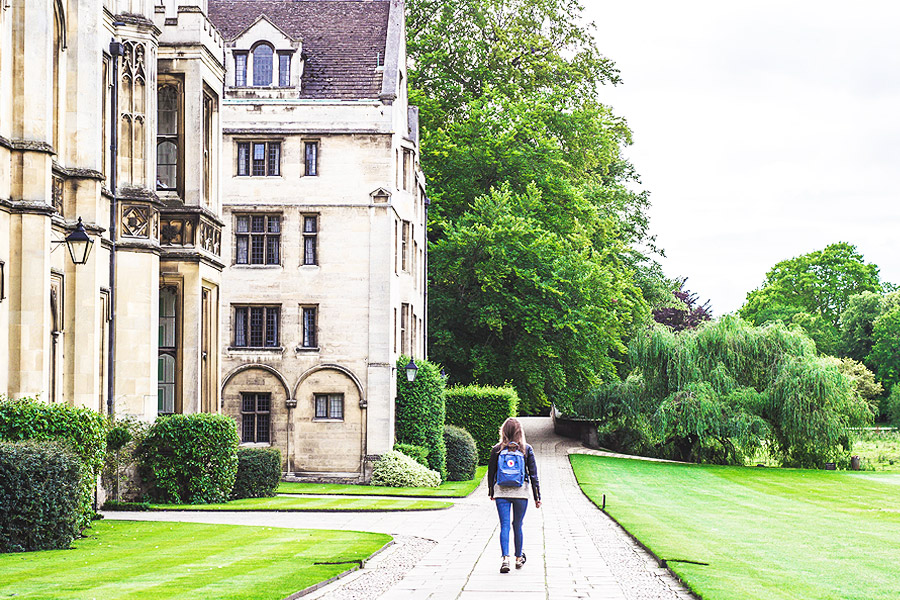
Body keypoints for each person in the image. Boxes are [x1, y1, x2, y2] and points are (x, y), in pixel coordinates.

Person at [488, 417, 541, 573]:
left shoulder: (497, 449)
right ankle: (518, 558)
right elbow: (533, 475)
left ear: (503, 431)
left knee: (504, 525)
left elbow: (491, 473)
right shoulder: (526, 449)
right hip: (521, 492)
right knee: (517, 525)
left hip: (501, 492)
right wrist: (537, 497)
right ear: (520, 432)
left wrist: (492, 492)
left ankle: (505, 559)